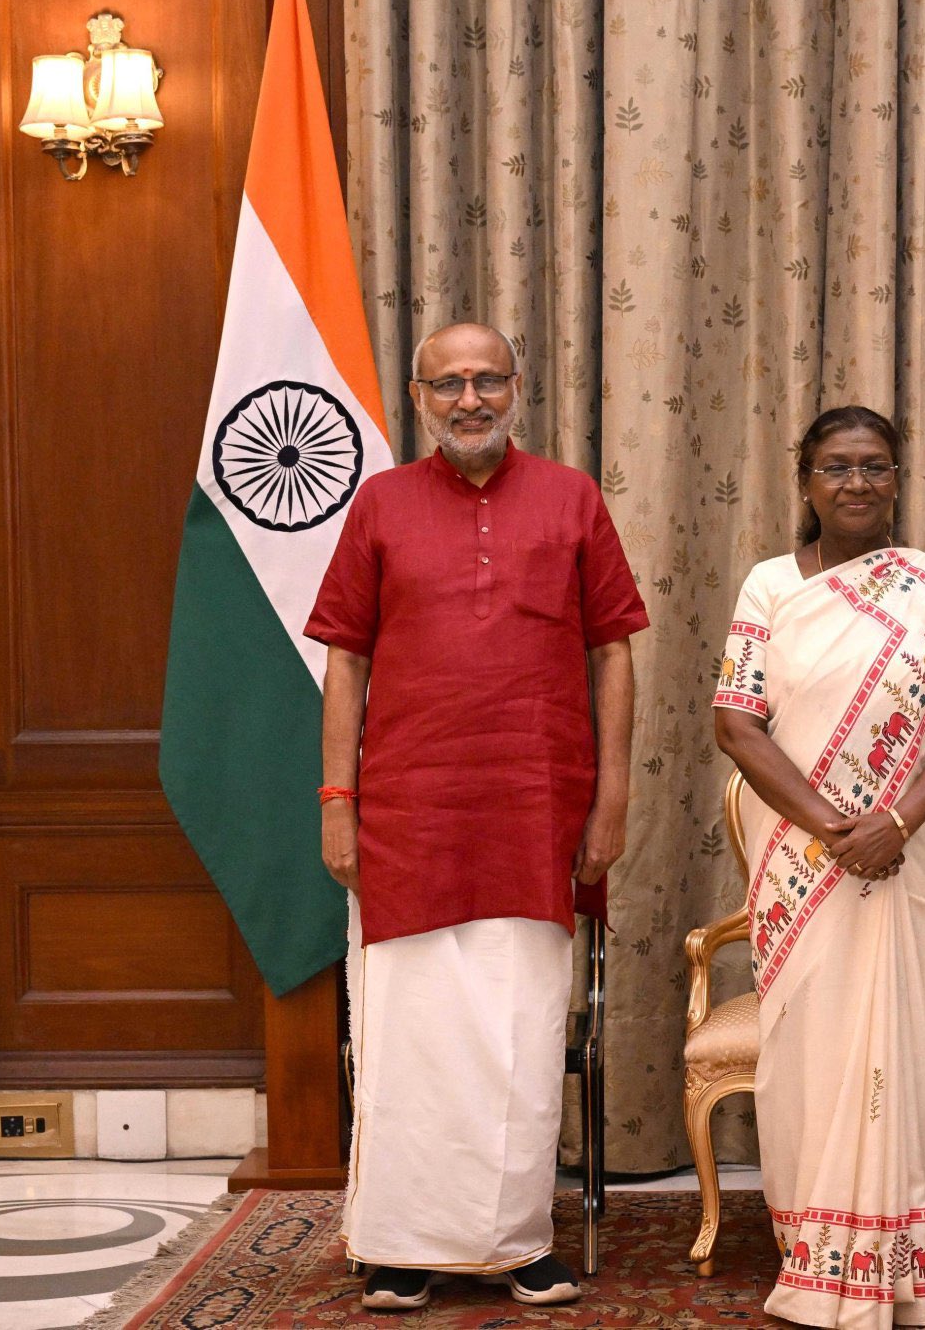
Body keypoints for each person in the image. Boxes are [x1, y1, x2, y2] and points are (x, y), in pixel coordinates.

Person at [304, 322, 648, 1313]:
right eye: (447, 382)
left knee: (519, 1032)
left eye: (487, 378)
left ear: (516, 385)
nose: (469, 398)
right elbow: (346, 660)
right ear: (418, 398)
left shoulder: (570, 497)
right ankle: (403, 1246)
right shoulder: (380, 505)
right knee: (409, 1032)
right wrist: (337, 799)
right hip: (407, 810)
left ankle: (513, 1241)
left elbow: (614, 650)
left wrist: (611, 796)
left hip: (538, 808)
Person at [712, 406, 925, 1328]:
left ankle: (911, 1252)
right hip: (805, 862)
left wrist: (894, 821)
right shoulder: (770, 586)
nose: (855, 483)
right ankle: (818, 1250)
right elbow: (736, 722)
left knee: (911, 1049)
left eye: (874, 467)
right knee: (811, 1052)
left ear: (900, 478)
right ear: (805, 480)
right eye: (835, 467)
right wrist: (836, 829)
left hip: (917, 858)